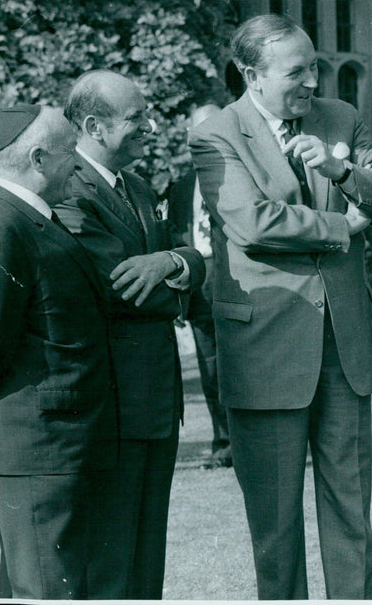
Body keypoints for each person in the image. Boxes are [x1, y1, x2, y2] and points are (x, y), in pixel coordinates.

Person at [189, 14, 372, 600]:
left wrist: (339, 167)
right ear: (250, 74)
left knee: (352, 521)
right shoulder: (215, 134)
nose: (312, 80)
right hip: (264, 352)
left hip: (344, 351)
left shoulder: (341, 118)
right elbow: (251, 222)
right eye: (297, 71)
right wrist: (342, 224)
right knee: (276, 530)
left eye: (314, 65)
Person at [0, 105, 117, 599]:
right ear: (41, 159)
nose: (80, 163)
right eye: (71, 152)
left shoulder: (27, 217)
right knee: (45, 591)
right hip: (34, 447)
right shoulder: (1, 224)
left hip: (52, 445)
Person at [54, 70, 205, 599]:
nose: (151, 126)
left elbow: (187, 257)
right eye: (137, 117)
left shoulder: (137, 186)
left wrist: (174, 259)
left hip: (154, 405)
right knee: (112, 564)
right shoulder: (69, 188)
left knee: (147, 564)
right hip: (110, 410)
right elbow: (120, 289)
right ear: (94, 126)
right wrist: (185, 274)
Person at [168, 100, 231, 468]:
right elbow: (176, 238)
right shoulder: (180, 186)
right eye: (196, 131)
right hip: (198, 283)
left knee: (241, 366)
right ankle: (223, 442)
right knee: (209, 369)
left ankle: (251, 443)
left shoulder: (239, 177)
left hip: (237, 284)